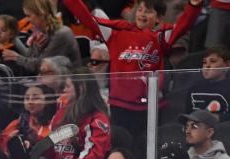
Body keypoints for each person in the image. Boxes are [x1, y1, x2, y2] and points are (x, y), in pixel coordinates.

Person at [62, 0, 203, 133]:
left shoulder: (161, 36)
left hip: (151, 107)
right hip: (120, 106)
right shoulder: (115, 32)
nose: (142, 14)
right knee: (121, 146)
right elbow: (87, 18)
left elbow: (183, 25)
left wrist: (194, 5)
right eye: (139, 10)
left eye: (148, 11)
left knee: (147, 151)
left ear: (159, 18)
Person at [48, 69, 111, 159]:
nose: (64, 90)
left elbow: (96, 150)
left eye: (68, 86)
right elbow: (51, 142)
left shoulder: (97, 118)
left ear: (81, 88)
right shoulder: (62, 112)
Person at [1, 0, 80, 73]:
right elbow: (30, 58)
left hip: (68, 84)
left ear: (41, 15)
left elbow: (42, 66)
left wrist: (16, 58)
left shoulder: (61, 34)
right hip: (50, 81)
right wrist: (36, 47)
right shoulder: (40, 32)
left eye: (28, 16)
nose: (27, 20)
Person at [0, 83, 55, 159]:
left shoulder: (56, 124)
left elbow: (57, 153)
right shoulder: (18, 123)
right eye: (27, 98)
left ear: (48, 101)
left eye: (35, 98)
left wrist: (36, 140)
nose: (30, 101)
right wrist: (10, 142)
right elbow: (1, 149)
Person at [185, 46, 230, 122]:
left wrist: (219, 118)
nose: (207, 65)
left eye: (213, 61)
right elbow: (187, 113)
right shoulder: (195, 87)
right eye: (204, 62)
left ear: (227, 65)